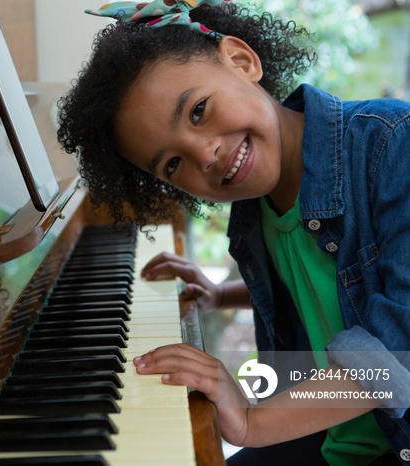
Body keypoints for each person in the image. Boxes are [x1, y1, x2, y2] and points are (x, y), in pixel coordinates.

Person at [56, 1, 410, 464]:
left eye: (198, 110)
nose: (205, 155)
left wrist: (250, 421)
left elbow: (397, 358)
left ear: (242, 61)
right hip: (330, 433)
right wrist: (221, 295)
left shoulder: (391, 145)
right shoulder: (256, 202)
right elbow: (319, 284)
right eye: (173, 163)